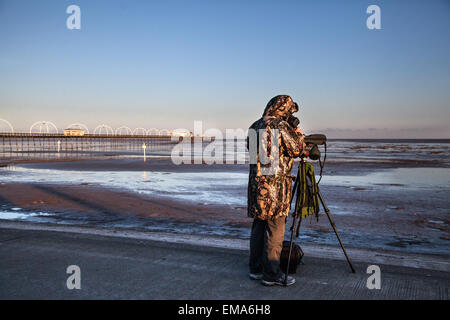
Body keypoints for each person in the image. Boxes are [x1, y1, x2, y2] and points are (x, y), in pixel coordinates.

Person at [247, 95, 304, 286]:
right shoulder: (281, 126)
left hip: (257, 186)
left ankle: (255, 269)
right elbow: (296, 149)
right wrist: (298, 133)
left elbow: (254, 150)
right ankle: (271, 275)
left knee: (258, 226)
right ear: (284, 109)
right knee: (275, 228)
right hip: (275, 189)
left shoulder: (254, 126)